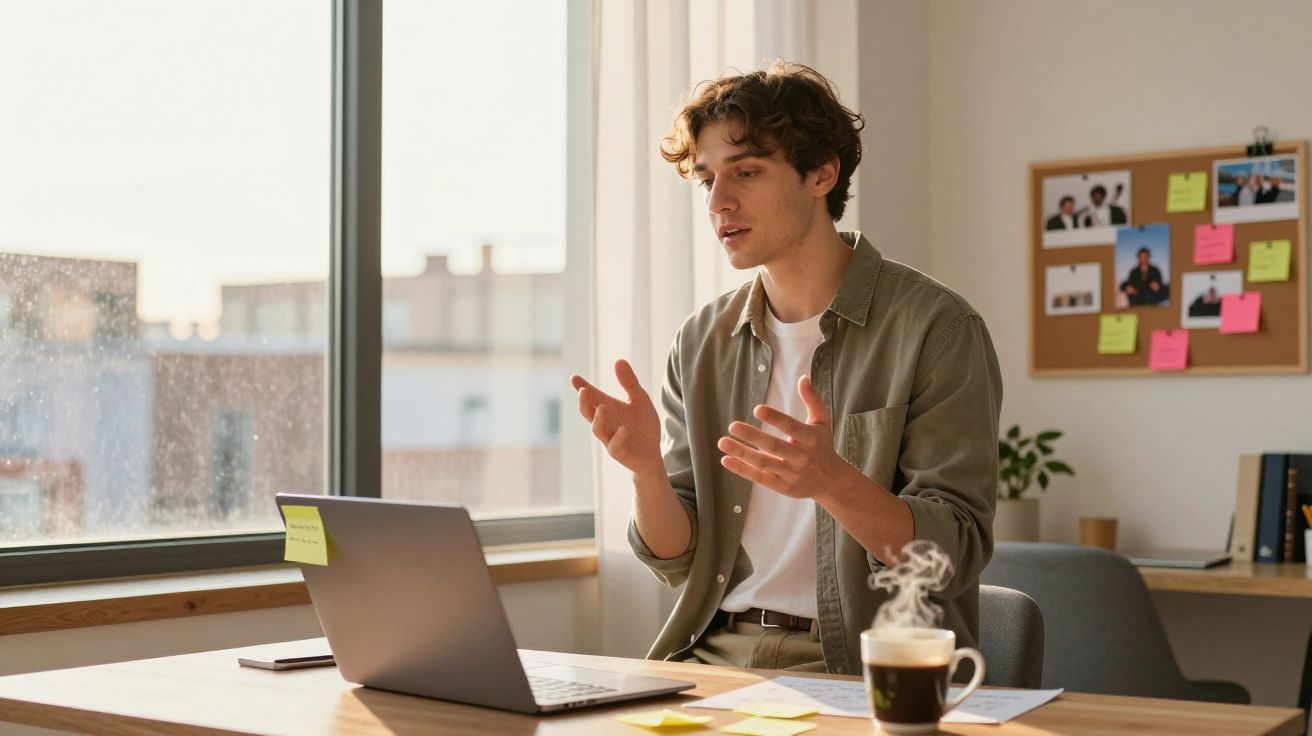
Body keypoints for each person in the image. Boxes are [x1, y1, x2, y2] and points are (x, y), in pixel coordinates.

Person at [569, 61, 1002, 676]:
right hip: (710, 657)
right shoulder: (700, 342)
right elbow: (679, 560)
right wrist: (646, 475)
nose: (719, 201)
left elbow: (951, 552)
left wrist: (831, 482)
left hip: (856, 668)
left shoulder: (937, 329)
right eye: (706, 180)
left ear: (821, 174)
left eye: (746, 172)